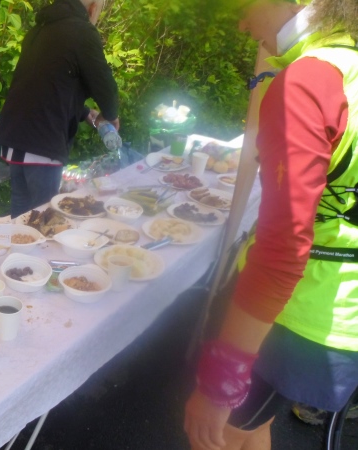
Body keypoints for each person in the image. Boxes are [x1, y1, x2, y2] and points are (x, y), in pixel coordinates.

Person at [183, 1, 358, 449]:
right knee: (253, 429)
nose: (242, 23)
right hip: (340, 311)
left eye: (244, 5)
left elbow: (282, 251)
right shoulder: (350, 68)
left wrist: (221, 382)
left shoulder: (309, 80)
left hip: (295, 314)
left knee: (215, 436)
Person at [0, 0, 119, 218]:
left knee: (21, 216)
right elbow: (104, 85)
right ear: (93, 8)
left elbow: (46, 84)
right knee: (45, 217)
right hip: (43, 141)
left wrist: (84, 112)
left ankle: (18, 240)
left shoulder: (38, 31)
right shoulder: (82, 32)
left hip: (15, 138)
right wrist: (111, 116)